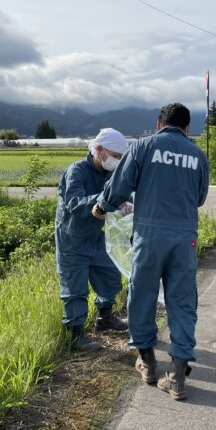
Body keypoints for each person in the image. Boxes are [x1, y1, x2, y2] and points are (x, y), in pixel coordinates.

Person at [92, 103, 209, 401]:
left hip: (148, 235)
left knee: (142, 296)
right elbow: (199, 197)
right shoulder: (198, 155)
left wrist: (102, 207)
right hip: (184, 238)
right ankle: (177, 378)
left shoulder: (143, 147)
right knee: (182, 301)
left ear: (158, 124)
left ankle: (147, 363)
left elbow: (120, 185)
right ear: (187, 128)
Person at [55, 128, 131, 352]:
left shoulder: (110, 174)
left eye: (120, 158)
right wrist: (107, 200)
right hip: (73, 239)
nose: (117, 161)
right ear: (98, 150)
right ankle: (75, 334)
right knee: (75, 287)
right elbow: (75, 203)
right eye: (115, 156)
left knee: (110, 277)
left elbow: (122, 195)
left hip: (99, 237)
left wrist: (127, 203)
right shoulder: (77, 171)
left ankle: (105, 318)